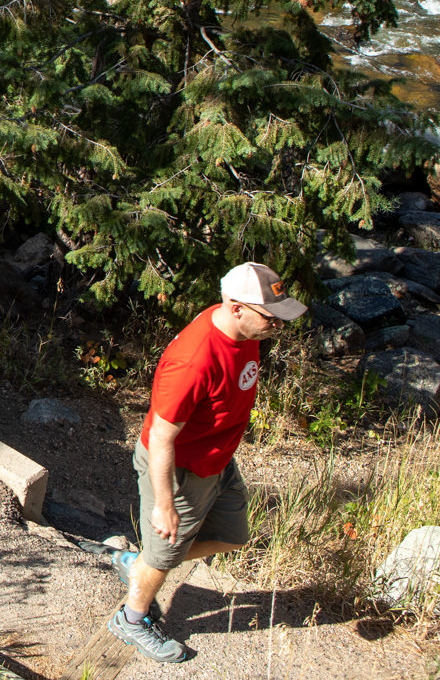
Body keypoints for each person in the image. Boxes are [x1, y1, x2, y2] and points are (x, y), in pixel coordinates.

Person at [104, 262, 308, 664]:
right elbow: (161, 437)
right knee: (163, 555)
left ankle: (137, 563)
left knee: (233, 536)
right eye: (271, 318)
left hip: (217, 461)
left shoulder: (243, 328)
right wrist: (164, 503)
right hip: (179, 471)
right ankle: (131, 618)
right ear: (235, 307)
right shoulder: (194, 360)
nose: (278, 327)